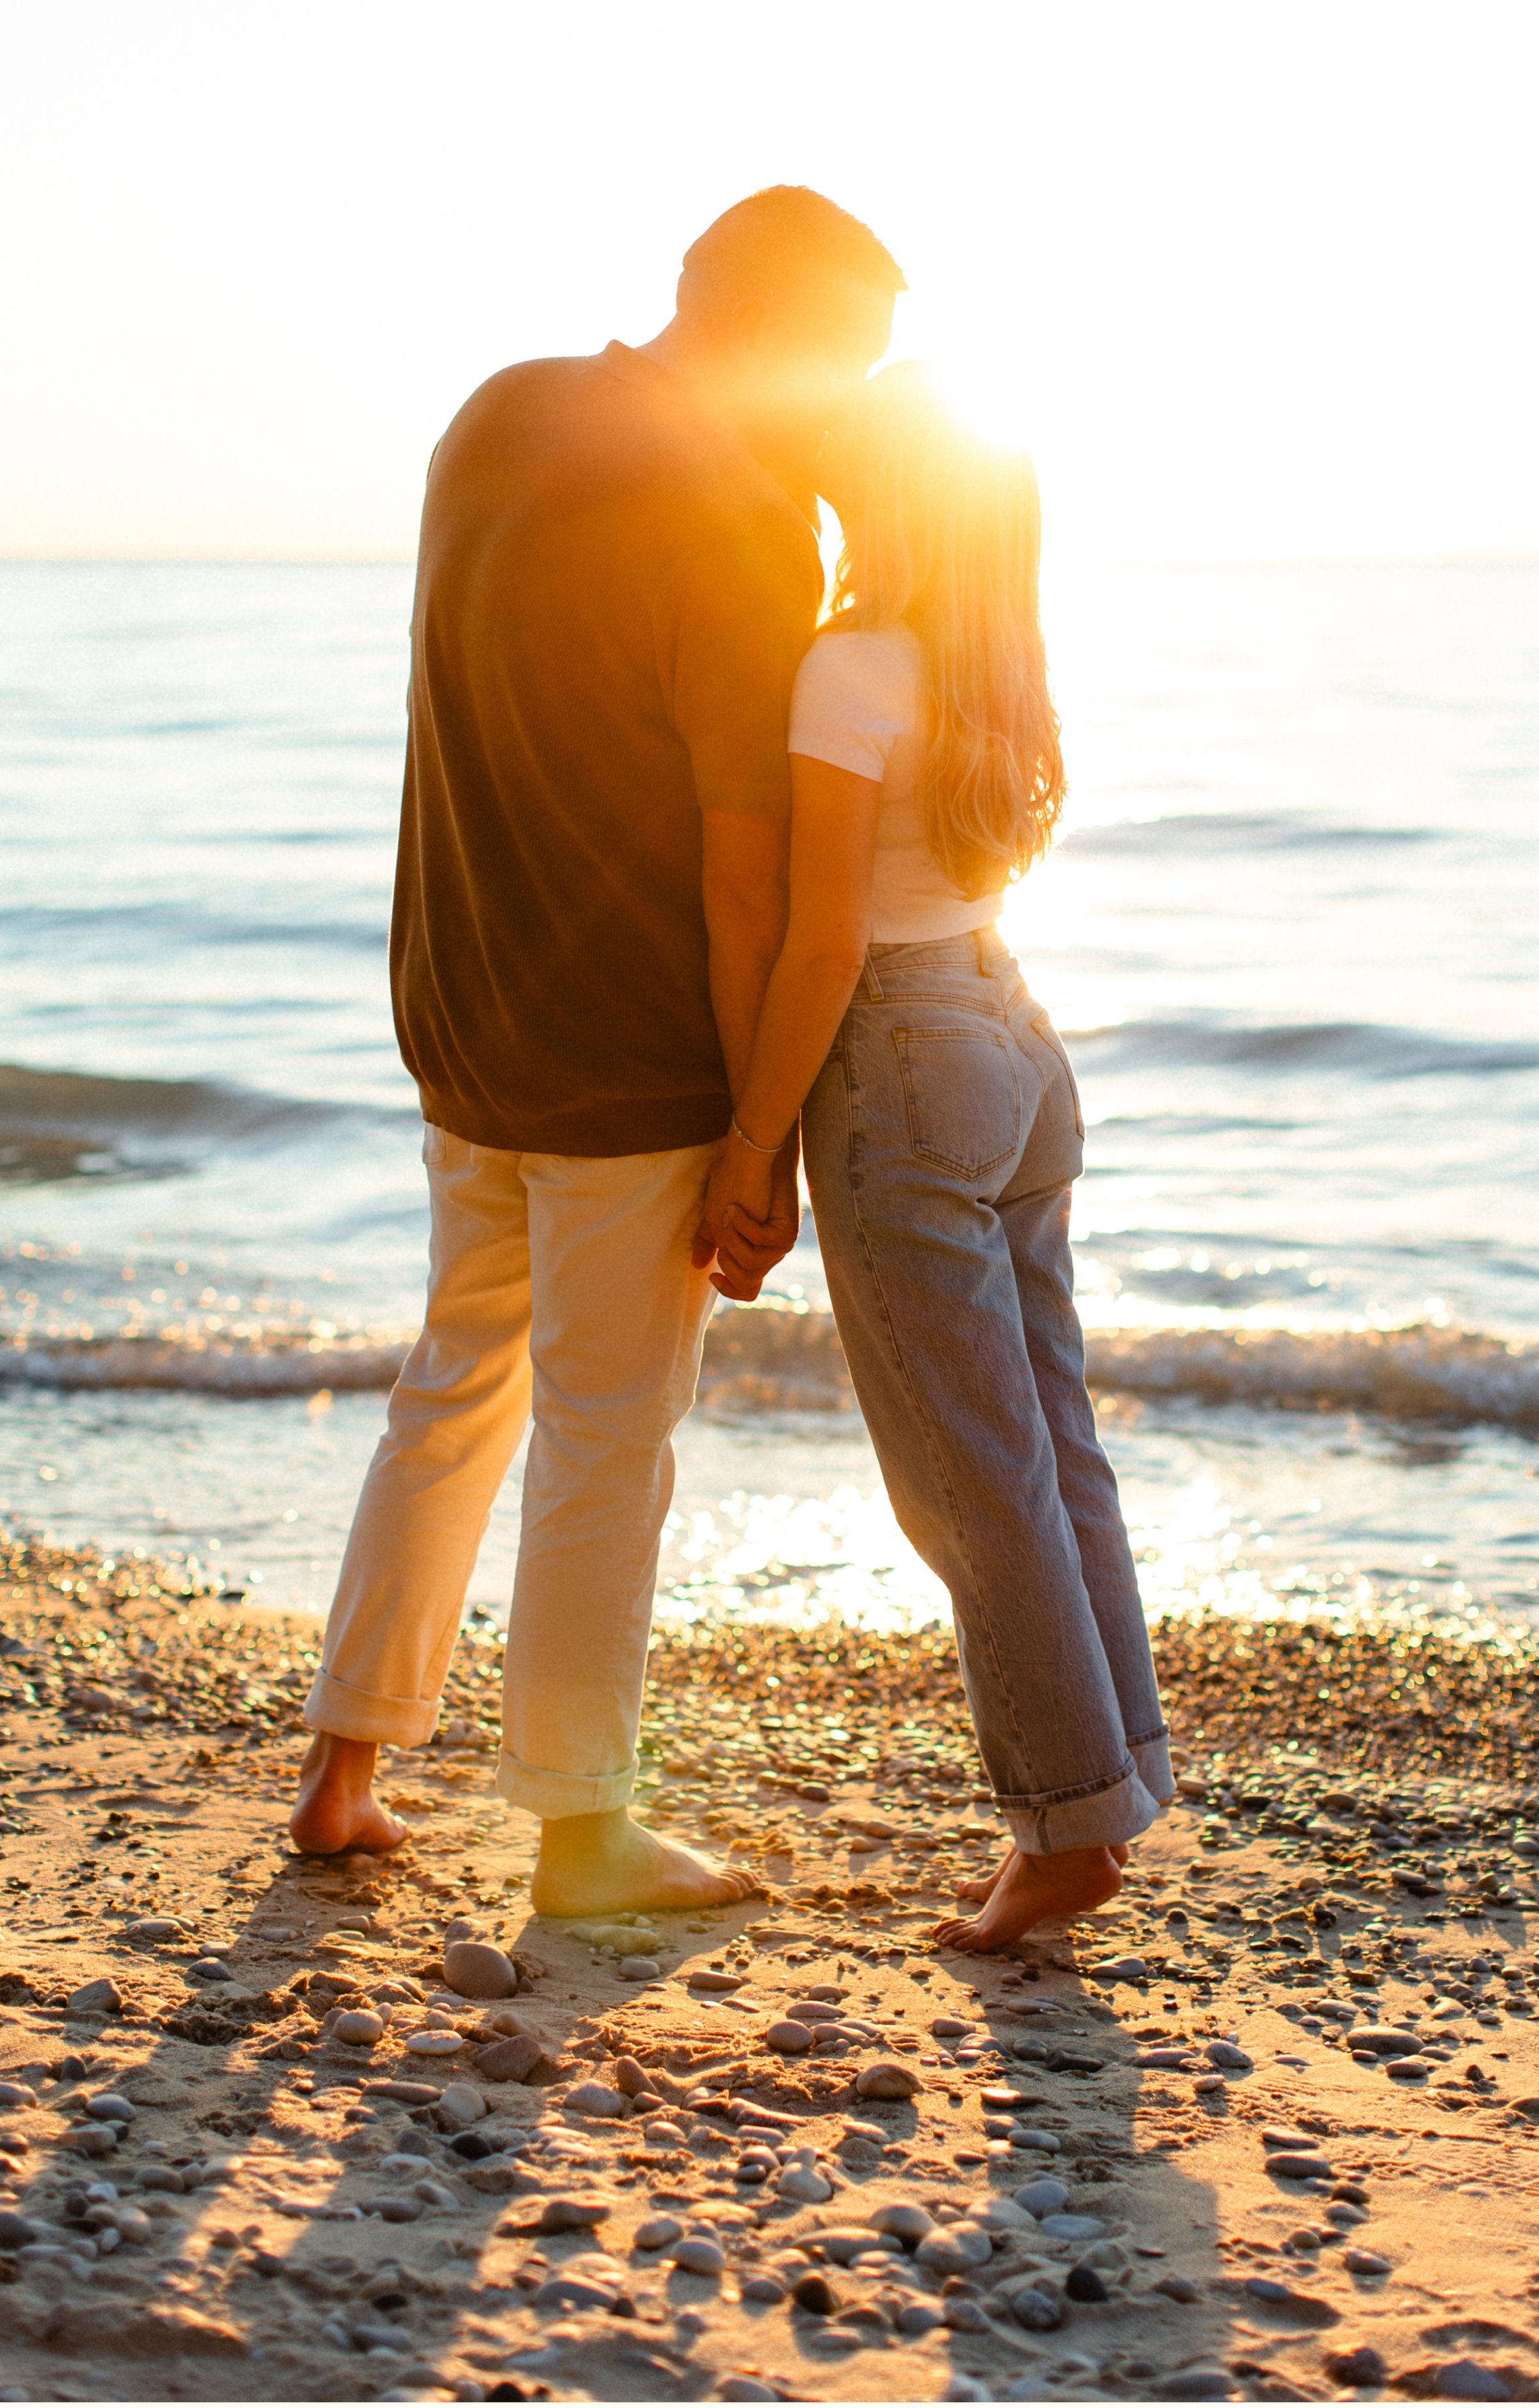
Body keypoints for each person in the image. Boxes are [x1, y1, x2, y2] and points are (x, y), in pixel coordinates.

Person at [292, 189, 903, 1917]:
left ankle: (345, 1769)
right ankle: (584, 1832)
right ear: (780, 337)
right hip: (627, 1052)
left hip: (465, 1010)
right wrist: (756, 1133)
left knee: (453, 1389)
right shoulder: (738, 516)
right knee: (607, 1438)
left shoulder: (497, 410)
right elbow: (739, 871)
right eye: (842, 364)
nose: (846, 403)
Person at [694, 364, 1173, 1950]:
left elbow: (825, 935)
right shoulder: (994, 654)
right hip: (1009, 1037)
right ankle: (1114, 1775)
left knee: (972, 1479)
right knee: (1050, 1435)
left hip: (901, 1058)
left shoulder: (849, 663)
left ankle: (1062, 1828)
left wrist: (752, 1145)